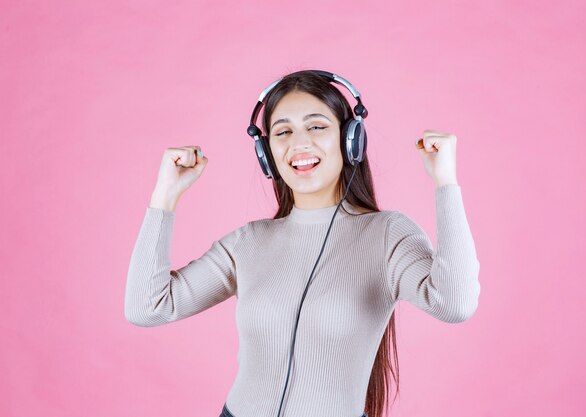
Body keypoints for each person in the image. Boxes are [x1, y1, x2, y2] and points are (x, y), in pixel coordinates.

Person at [124, 69, 481, 417]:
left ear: (350, 139)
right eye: (282, 132)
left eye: (316, 126)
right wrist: (164, 196)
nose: (299, 144)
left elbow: (454, 303)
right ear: (267, 152)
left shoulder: (388, 234)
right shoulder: (248, 242)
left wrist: (445, 183)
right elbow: (147, 307)